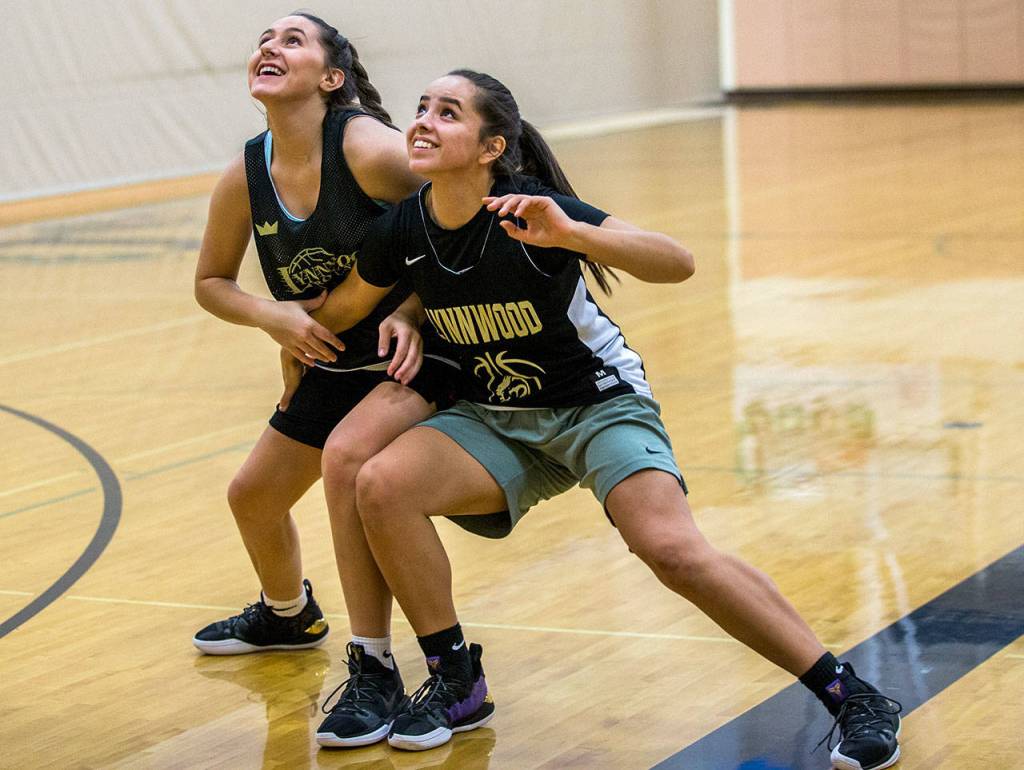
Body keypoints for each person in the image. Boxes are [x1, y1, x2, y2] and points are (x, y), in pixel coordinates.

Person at [311, 69, 904, 768]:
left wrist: (575, 234)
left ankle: (852, 694)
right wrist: (271, 316)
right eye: (421, 108)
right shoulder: (403, 229)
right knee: (380, 484)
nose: (423, 122)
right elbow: (341, 311)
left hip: (597, 406)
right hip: (496, 414)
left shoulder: (536, 212)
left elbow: (676, 262)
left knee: (673, 552)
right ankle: (455, 678)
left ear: (489, 147)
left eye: (448, 113)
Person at [191, 12, 459, 748]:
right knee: (253, 496)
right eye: (263, 38)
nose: (269, 47)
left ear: (331, 78)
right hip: (334, 355)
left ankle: (376, 665)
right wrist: (270, 317)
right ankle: (287, 615)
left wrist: (407, 306)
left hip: (420, 349)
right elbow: (211, 283)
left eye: (293, 40)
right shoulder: (246, 172)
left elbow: (454, 218)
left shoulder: (367, 148)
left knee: (348, 464)